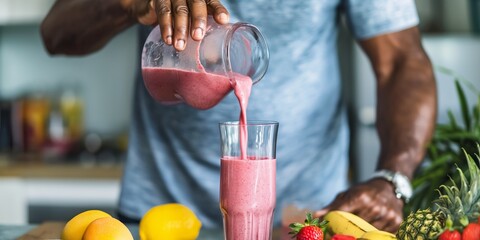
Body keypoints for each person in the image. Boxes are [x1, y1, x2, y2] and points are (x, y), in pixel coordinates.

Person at [40, 0, 436, 232]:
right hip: (159, 222)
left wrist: (393, 177)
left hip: (308, 222)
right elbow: (55, 32)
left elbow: (403, 61)